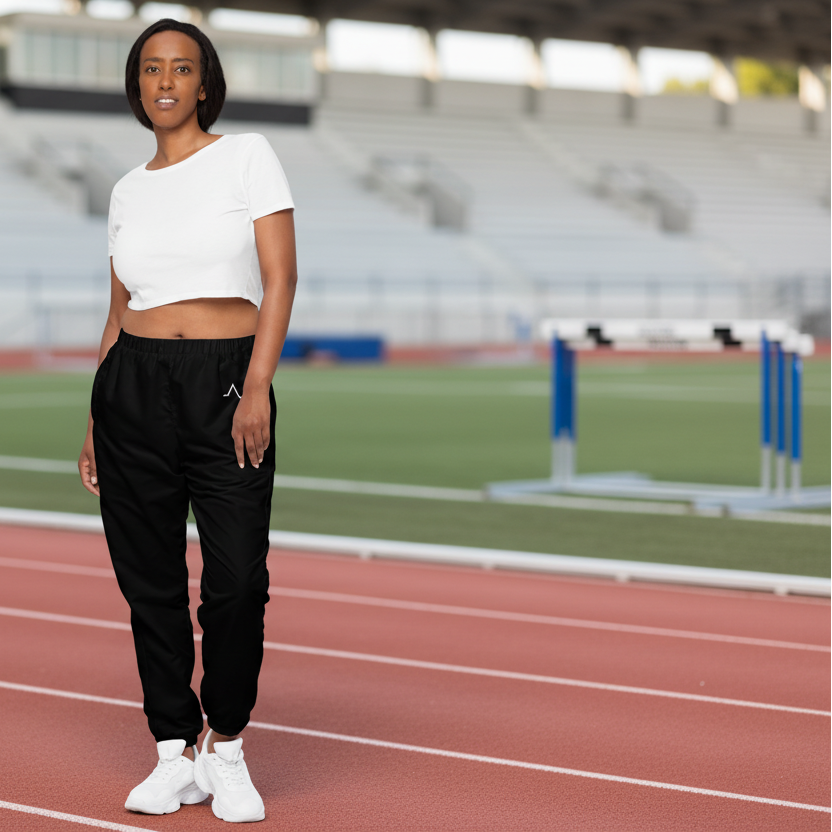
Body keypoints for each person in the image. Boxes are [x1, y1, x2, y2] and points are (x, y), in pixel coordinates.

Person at [77, 17, 297, 823]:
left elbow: (280, 279)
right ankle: (173, 749)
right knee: (151, 583)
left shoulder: (247, 157)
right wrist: (95, 416)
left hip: (227, 380)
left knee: (238, 583)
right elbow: (117, 307)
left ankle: (226, 746)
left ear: (205, 84)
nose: (165, 80)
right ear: (137, 87)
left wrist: (261, 383)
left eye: (182, 68)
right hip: (129, 388)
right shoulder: (127, 190)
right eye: (150, 69)